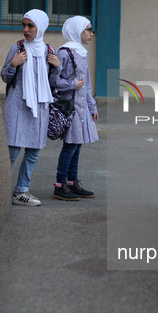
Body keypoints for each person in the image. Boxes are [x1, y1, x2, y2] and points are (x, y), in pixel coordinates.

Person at [1, 9, 60, 206]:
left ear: (40, 27)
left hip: (40, 106)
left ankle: (21, 191)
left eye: (30, 26)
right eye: (24, 25)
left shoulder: (49, 51)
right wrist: (13, 64)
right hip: (18, 105)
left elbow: (53, 83)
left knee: (33, 151)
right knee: (13, 150)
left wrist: (57, 67)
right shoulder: (18, 48)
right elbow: (5, 77)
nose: (25, 30)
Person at [49, 16, 98, 201]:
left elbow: (87, 84)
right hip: (69, 108)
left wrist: (92, 107)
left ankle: (72, 182)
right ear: (77, 30)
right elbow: (53, 81)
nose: (91, 34)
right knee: (70, 146)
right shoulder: (64, 52)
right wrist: (72, 84)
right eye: (88, 29)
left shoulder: (82, 52)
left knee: (77, 145)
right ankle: (60, 185)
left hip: (82, 108)